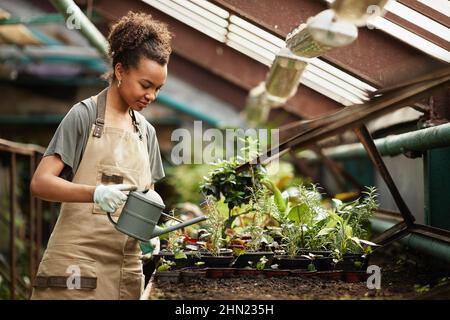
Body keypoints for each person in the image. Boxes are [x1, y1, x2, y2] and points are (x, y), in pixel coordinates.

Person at [29, 11, 171, 300]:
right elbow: (40, 183)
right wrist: (95, 193)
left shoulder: (147, 133)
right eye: (146, 85)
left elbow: (148, 199)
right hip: (77, 267)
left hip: (124, 271)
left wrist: (150, 233)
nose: (151, 96)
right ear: (120, 71)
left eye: (158, 88)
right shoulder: (84, 116)